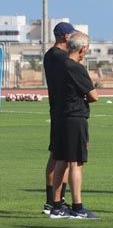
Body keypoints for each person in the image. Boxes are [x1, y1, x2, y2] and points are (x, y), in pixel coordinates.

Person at [46, 32, 100, 219]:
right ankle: (78, 207)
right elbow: (94, 96)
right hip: (75, 117)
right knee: (76, 163)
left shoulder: (58, 65)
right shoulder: (75, 67)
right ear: (82, 48)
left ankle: (56, 206)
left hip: (60, 117)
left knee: (60, 160)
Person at [41, 21, 74, 214]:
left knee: (55, 155)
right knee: (66, 158)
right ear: (64, 36)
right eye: (71, 35)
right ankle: (58, 201)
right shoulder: (63, 58)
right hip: (66, 111)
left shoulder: (49, 56)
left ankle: (50, 201)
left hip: (56, 110)